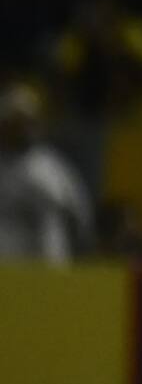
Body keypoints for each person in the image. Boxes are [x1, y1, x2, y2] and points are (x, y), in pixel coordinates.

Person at [0, 82, 93, 263]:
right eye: (15, 123)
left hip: (45, 273)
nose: (23, 128)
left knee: (51, 222)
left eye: (27, 122)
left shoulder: (52, 167)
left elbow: (81, 219)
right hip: (5, 271)